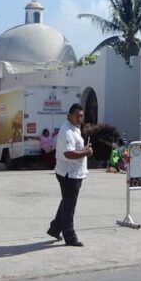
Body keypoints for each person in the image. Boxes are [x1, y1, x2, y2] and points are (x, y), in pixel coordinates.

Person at [47, 103, 93, 247]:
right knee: (69, 206)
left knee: (66, 202)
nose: (80, 118)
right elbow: (68, 153)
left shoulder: (75, 129)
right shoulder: (66, 131)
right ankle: (70, 236)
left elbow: (75, 149)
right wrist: (86, 152)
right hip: (69, 174)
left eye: (81, 116)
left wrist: (84, 149)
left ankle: (55, 228)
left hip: (74, 173)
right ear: (69, 115)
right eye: (77, 116)